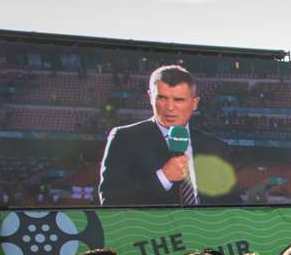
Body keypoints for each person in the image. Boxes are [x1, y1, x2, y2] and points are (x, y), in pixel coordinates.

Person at [97, 65, 235, 207]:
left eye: (178, 100)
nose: (169, 107)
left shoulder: (217, 148)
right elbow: (111, 201)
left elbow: (232, 206)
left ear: (195, 103)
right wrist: (163, 178)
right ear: (151, 97)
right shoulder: (124, 139)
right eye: (162, 98)